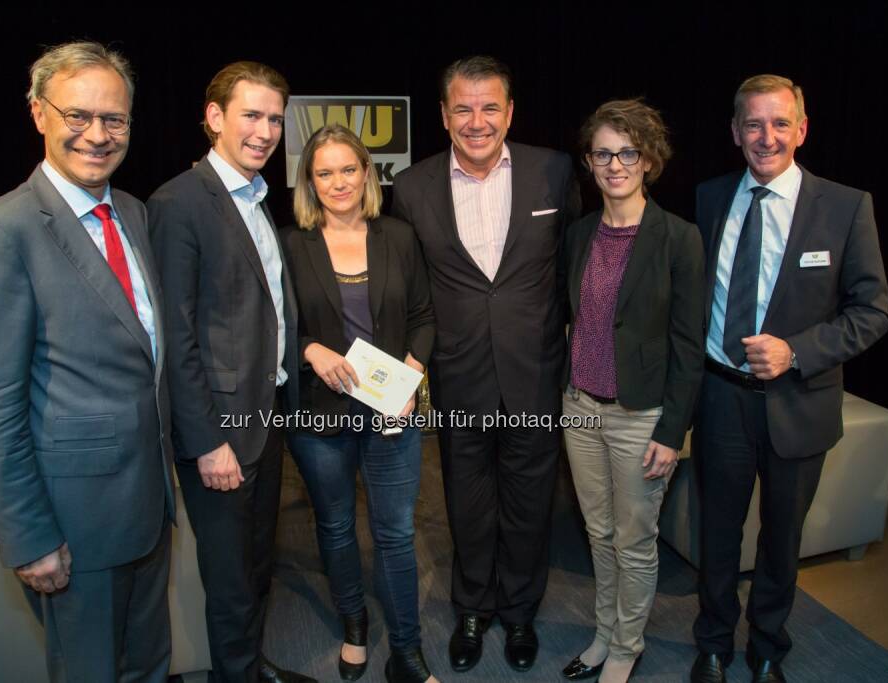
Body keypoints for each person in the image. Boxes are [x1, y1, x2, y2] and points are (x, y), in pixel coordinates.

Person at [0, 41, 174, 682]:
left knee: (147, 665)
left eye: (115, 120)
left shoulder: (131, 212)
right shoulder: (2, 233)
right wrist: (29, 536)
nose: (97, 136)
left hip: (147, 509)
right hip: (74, 525)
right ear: (38, 113)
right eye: (77, 115)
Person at [690, 74, 888, 683]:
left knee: (781, 543)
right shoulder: (709, 197)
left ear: (802, 129)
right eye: (753, 123)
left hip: (799, 403)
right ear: (735, 132)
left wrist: (797, 351)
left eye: (780, 123)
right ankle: (715, 645)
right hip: (722, 399)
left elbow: (874, 311)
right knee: (718, 539)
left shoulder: (847, 206)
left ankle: (768, 647)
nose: (766, 136)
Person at [391, 55, 579, 673]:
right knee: (467, 505)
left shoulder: (553, 172)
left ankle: (521, 611)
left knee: (530, 504)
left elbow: (574, 264)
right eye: (464, 108)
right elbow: (408, 289)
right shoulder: (412, 188)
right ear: (444, 115)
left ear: (510, 111)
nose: (478, 121)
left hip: (535, 375)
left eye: (490, 106)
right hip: (458, 377)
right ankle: (473, 608)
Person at [148, 62, 313, 683]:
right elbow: (176, 336)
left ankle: (249, 667)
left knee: (257, 565)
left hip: (265, 418)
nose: (266, 130)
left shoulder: (257, 198)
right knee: (230, 578)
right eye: (251, 115)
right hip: (220, 431)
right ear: (215, 117)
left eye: (274, 118)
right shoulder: (180, 203)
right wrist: (207, 440)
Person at [282, 124, 438, 683]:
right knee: (338, 527)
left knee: (396, 533)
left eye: (349, 169)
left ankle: (407, 649)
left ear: (368, 173)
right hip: (319, 415)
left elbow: (423, 316)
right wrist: (308, 347)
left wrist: (412, 376)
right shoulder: (289, 244)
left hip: (391, 414)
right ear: (309, 181)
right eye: (324, 172)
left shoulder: (398, 236)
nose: (338, 182)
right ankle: (354, 625)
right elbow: (273, 324)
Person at [558, 99, 705, 683]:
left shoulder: (679, 238)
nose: (614, 164)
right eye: (603, 153)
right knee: (598, 533)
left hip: (642, 418)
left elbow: (689, 347)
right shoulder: (578, 234)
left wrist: (672, 434)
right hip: (581, 410)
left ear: (647, 160)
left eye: (627, 152)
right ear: (590, 163)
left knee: (635, 540)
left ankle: (627, 644)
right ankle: (602, 633)